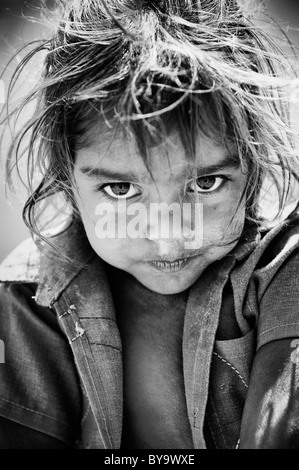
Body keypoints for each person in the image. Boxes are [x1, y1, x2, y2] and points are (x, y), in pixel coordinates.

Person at [0, 0, 299, 449]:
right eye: (121, 190)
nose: (167, 235)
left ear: (253, 166)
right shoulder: (28, 295)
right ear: (66, 177)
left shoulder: (283, 271)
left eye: (207, 182)